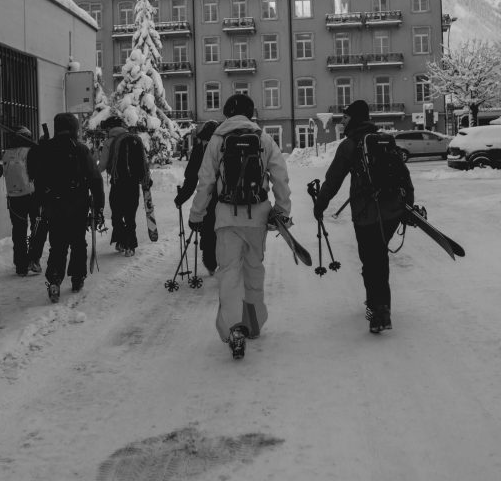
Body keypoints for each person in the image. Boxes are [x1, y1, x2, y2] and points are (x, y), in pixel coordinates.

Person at [188, 94, 292, 360]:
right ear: (250, 113)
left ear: (226, 113)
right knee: (253, 267)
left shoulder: (217, 140)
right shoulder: (264, 139)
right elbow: (280, 176)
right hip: (257, 215)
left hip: (226, 216)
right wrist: (282, 210)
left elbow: (205, 181)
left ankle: (234, 327)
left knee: (230, 271)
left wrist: (197, 214)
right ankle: (254, 323)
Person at [312, 99, 414, 334]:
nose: (344, 120)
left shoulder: (349, 145)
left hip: (367, 214)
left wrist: (320, 205)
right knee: (379, 257)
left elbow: (333, 179)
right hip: (391, 211)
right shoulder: (385, 140)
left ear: (355, 119)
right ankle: (379, 306)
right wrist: (408, 203)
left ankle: (379, 310)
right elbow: (403, 174)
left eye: (346, 117)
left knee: (372, 261)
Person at [40, 113, 105, 302]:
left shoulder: (47, 149)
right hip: (78, 205)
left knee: (57, 245)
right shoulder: (81, 150)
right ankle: (77, 278)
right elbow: (95, 179)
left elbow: (38, 177)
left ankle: (54, 278)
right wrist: (98, 207)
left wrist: (43, 202)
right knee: (78, 243)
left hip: (54, 205)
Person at [98, 116, 150, 257]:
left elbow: (102, 165)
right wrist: (146, 179)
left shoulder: (109, 142)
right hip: (133, 184)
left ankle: (121, 241)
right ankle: (131, 246)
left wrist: (92, 175)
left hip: (118, 183)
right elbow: (144, 161)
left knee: (117, 215)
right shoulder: (135, 139)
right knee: (130, 215)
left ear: (110, 128)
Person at [174, 120, 218, 275]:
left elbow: (192, 177)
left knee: (207, 230)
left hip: (209, 198)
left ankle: (211, 264)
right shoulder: (225, 145)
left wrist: (181, 197)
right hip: (227, 198)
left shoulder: (201, 148)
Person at [2, 126, 46, 276]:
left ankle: (20, 265)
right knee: (37, 227)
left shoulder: (7, 153)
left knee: (18, 231)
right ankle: (34, 260)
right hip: (32, 196)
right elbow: (39, 173)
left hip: (13, 198)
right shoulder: (32, 151)